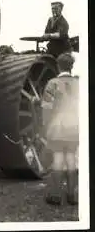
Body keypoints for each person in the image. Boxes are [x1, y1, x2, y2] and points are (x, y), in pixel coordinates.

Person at [41, 52, 79, 205]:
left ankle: (56, 196)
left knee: (58, 158)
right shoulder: (79, 83)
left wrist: (45, 125)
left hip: (58, 125)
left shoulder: (53, 83)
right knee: (71, 158)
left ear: (58, 66)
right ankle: (72, 195)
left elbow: (47, 108)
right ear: (72, 66)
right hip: (75, 126)